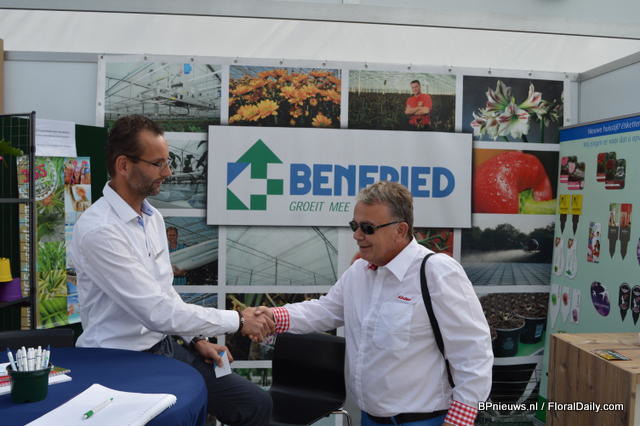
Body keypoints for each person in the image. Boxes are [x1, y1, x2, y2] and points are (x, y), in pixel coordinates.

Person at [69, 114, 274, 426]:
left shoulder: (152, 217)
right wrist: (240, 320)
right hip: (118, 359)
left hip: (164, 346)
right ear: (124, 165)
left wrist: (196, 339)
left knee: (254, 403)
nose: (167, 172)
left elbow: (164, 293)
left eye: (167, 162)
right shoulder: (100, 231)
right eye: (158, 164)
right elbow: (156, 311)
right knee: (180, 416)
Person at [260, 181, 493, 426]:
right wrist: (272, 317)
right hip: (370, 419)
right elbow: (325, 310)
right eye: (355, 225)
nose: (357, 235)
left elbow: (473, 352)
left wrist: (458, 421)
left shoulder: (437, 271)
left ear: (400, 230)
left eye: (368, 228)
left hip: (425, 421)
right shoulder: (359, 272)